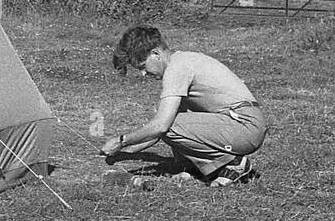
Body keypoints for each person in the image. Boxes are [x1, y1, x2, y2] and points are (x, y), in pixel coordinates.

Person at [99, 25, 266, 186]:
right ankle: (194, 168)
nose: (143, 74)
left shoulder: (177, 69)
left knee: (170, 124)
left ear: (156, 53)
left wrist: (121, 141)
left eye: (143, 67)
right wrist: (126, 151)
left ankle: (233, 163)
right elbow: (159, 132)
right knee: (174, 119)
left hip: (245, 126)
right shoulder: (181, 61)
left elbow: (161, 127)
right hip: (242, 124)